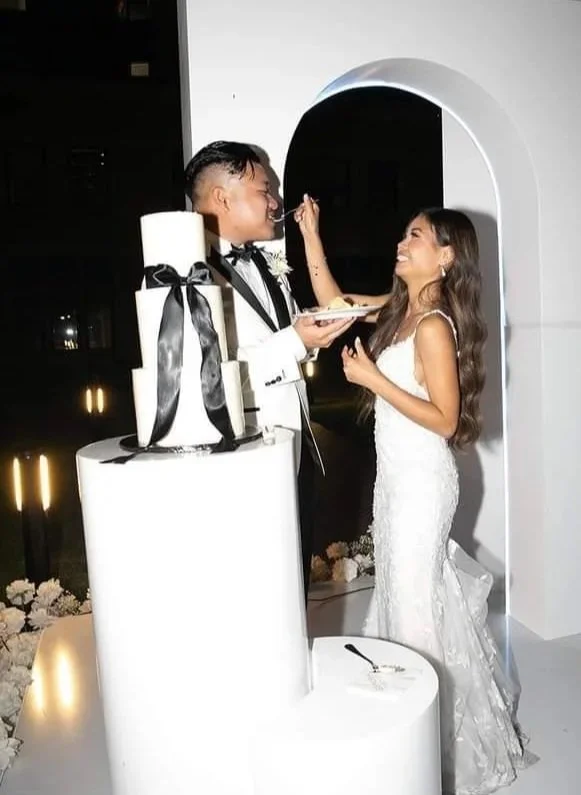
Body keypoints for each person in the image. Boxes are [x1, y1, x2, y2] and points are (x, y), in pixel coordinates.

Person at [295, 196, 531, 794]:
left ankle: (427, 749)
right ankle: (409, 730)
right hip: (395, 481)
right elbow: (336, 302)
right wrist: (311, 234)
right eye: (404, 234)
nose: (402, 242)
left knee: (416, 607)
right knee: (406, 598)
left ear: (446, 257)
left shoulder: (431, 326)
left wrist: (373, 379)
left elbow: (447, 420)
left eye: (417, 236)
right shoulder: (401, 311)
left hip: (424, 485)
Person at [184, 143, 353, 599]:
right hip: (241, 458)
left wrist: (310, 335)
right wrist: (297, 340)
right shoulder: (186, 273)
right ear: (222, 198)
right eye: (265, 189)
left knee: (290, 582)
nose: (276, 200)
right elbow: (209, 379)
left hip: (292, 453)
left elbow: (285, 340)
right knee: (253, 589)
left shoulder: (264, 261)